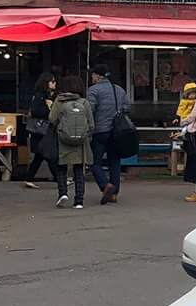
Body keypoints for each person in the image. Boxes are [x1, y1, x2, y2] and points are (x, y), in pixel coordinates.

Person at [86, 62, 131, 206]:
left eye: (93, 75)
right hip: (118, 131)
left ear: (97, 76)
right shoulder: (119, 90)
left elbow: (90, 110)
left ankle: (105, 185)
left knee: (94, 161)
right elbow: (127, 108)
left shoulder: (93, 90)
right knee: (114, 161)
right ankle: (114, 194)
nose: (92, 77)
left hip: (100, 131)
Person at [50, 76, 93, 209]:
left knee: (61, 168)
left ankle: (63, 193)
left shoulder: (59, 100)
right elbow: (91, 124)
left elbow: (52, 119)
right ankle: (79, 200)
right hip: (80, 142)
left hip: (63, 140)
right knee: (79, 170)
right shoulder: (84, 102)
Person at [17, 71, 61, 187]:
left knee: (40, 155)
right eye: (52, 81)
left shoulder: (48, 95)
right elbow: (36, 111)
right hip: (41, 129)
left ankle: (29, 178)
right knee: (48, 155)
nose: (55, 83)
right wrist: (49, 110)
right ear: (46, 83)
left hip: (42, 129)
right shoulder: (39, 95)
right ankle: (59, 178)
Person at [168, 80, 196, 179]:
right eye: (191, 94)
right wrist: (177, 117)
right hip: (185, 120)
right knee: (185, 133)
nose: (192, 96)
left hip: (194, 121)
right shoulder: (184, 102)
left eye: (194, 94)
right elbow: (180, 110)